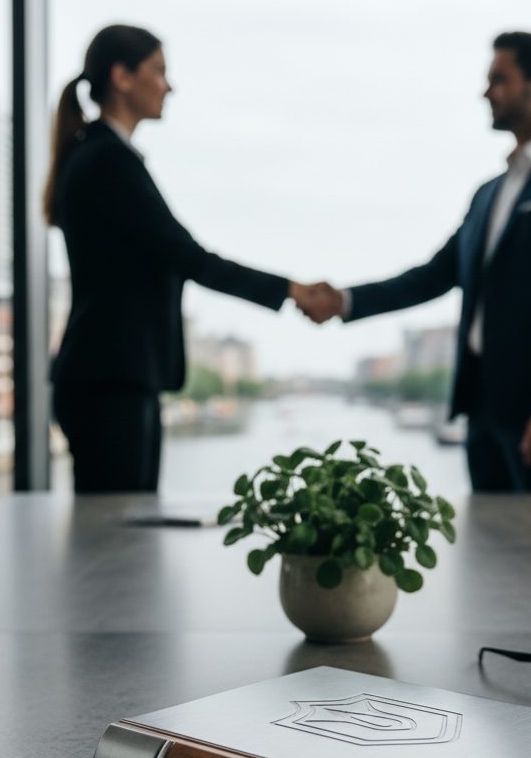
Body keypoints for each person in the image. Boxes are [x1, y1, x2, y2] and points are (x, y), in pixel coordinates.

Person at [304, 32, 531, 492]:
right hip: (483, 410)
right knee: (490, 554)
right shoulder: (488, 192)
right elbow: (435, 275)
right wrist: (344, 301)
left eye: (499, 79)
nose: (486, 92)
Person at [45, 24, 324, 493]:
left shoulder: (95, 154)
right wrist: (290, 290)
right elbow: (187, 256)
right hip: (113, 378)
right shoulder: (109, 160)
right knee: (120, 541)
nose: (169, 86)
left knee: (119, 538)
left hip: (109, 375)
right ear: (123, 77)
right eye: (159, 71)